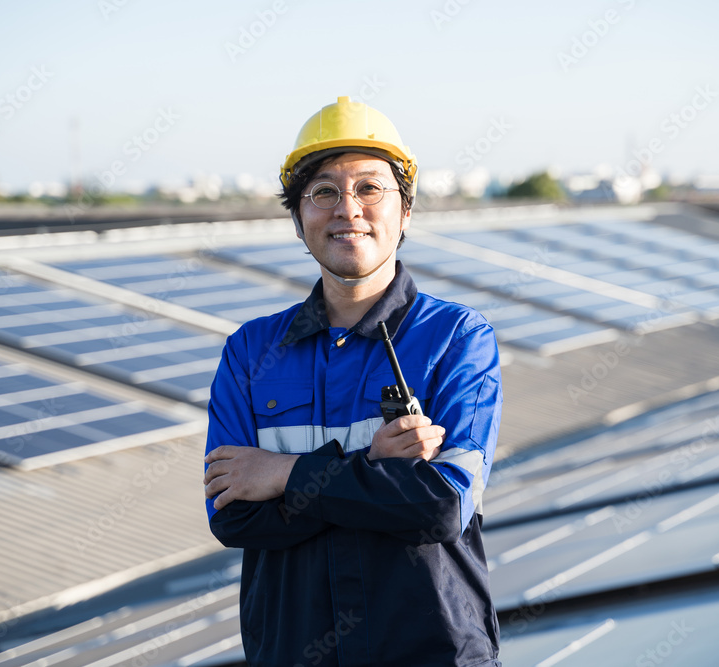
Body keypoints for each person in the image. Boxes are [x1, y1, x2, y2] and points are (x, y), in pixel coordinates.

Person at [204, 96, 503, 666]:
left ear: (406, 210)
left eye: (370, 188)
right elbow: (235, 515)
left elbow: (440, 507)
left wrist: (283, 473)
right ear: (298, 218)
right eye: (323, 191)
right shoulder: (250, 352)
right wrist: (375, 472)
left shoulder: (457, 339)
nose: (348, 208)